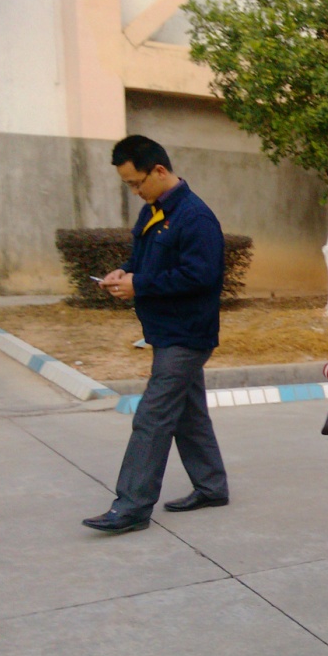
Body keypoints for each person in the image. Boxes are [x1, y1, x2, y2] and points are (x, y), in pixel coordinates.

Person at [82, 136, 230, 534]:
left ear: (160, 170)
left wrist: (140, 284)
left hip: (187, 334)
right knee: (188, 414)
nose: (135, 191)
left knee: (152, 417)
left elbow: (202, 276)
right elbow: (143, 260)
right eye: (128, 185)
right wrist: (124, 272)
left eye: (137, 182)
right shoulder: (154, 211)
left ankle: (131, 507)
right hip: (165, 331)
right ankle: (212, 487)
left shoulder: (195, 217)